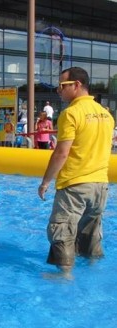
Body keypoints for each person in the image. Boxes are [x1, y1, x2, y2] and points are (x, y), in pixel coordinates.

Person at [38, 67, 114, 276]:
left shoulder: (71, 113)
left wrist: (45, 182)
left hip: (75, 184)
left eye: (62, 86)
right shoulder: (106, 114)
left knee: (61, 228)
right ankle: (92, 270)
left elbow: (61, 153)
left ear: (77, 85)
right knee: (91, 231)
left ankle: (64, 275)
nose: (58, 91)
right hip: (101, 184)